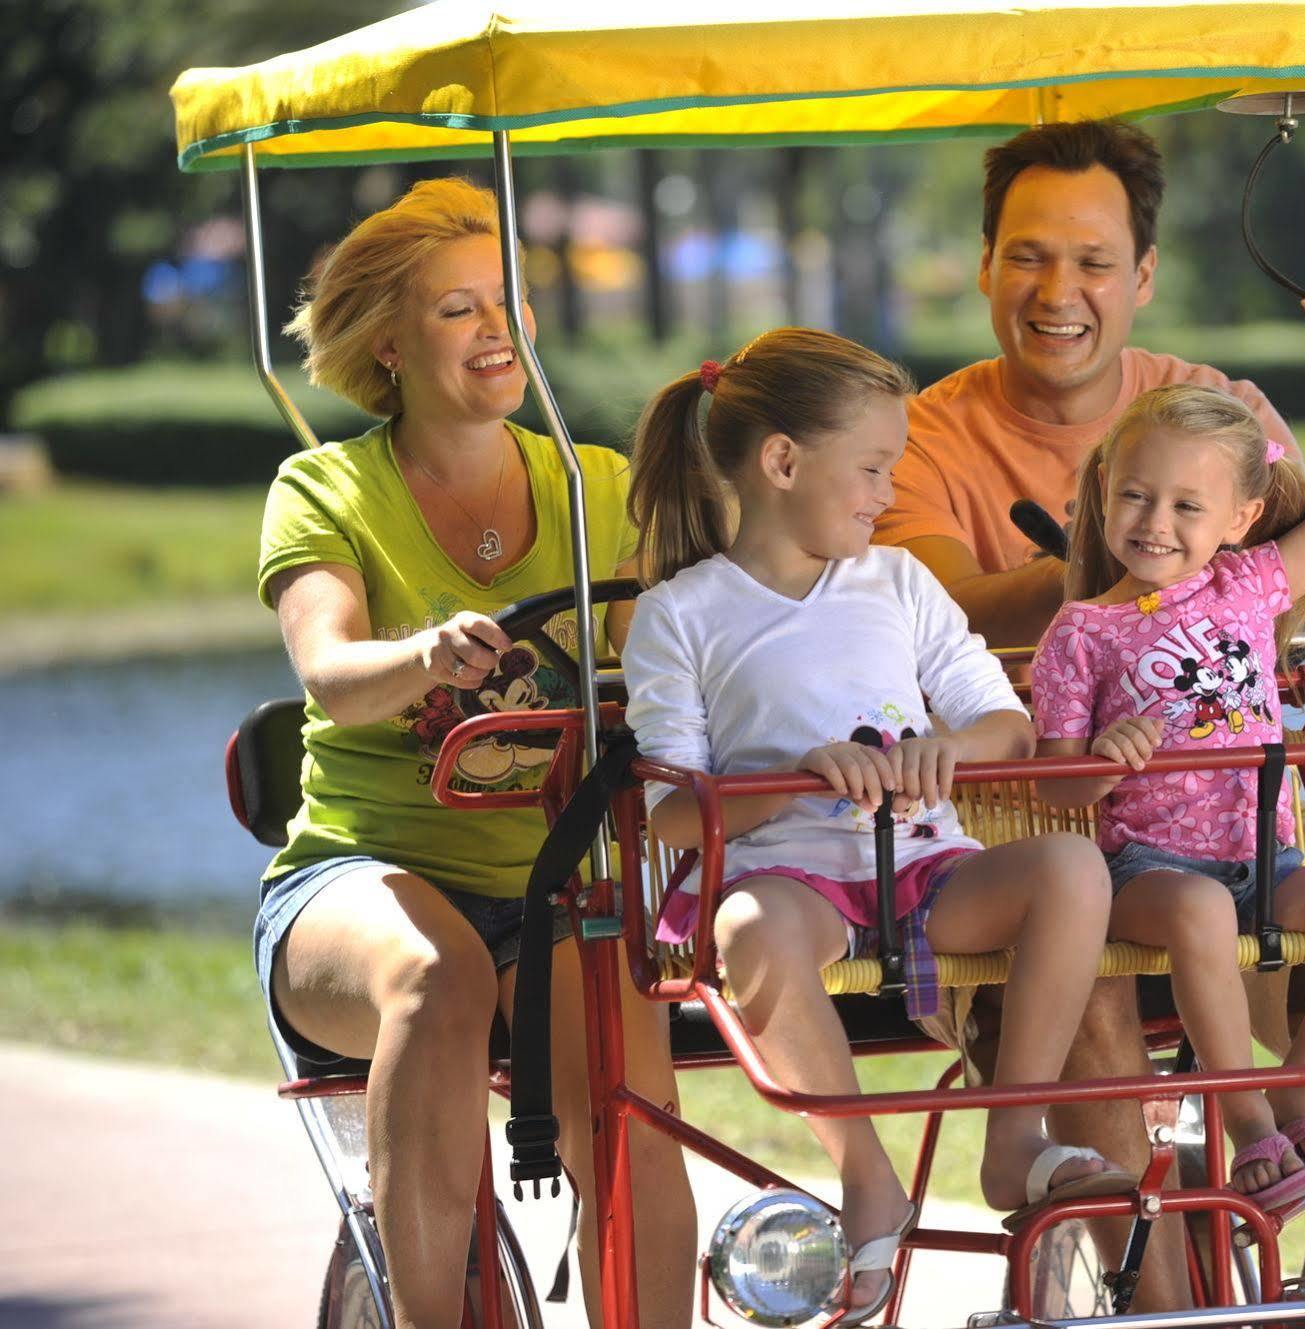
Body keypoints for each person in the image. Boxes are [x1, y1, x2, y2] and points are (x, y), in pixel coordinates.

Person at [874, 118, 1305, 1297]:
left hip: (1239, 829)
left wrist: (1278, 492)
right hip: (1040, 839)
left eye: (1095, 262)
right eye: (1030, 256)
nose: (1061, 291)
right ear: (988, 261)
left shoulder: (1201, 408)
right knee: (1089, 966)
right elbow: (927, 613)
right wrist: (1129, 563)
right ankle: (1169, 1317)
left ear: (1143, 276)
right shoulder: (917, 440)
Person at [252, 177, 695, 1329]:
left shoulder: (594, 486)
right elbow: (330, 675)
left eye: (507, 299)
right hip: (358, 881)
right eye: (457, 310)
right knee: (437, 976)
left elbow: (665, 687)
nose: (497, 329)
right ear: (387, 343)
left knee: (628, 1097)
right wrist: (424, 656)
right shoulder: (324, 487)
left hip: (554, 887)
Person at [619, 328, 1130, 1322]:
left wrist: (951, 749)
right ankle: (864, 1171)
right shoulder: (679, 615)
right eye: (870, 468)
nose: (884, 493)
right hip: (784, 882)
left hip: (924, 870)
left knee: (1070, 869)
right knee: (748, 931)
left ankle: (1014, 1137)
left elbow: (1003, 723)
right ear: (781, 462)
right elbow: (673, 812)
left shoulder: (897, 583)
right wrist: (798, 775)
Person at [1034, 289, 1305, 1217]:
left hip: (1267, 860)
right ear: (1103, 492)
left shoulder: (1252, 586)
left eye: (1184, 503)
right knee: (1203, 908)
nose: (1154, 521)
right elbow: (1052, 789)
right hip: (1147, 872)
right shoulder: (1080, 631)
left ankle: (1302, 1084)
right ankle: (1248, 1122)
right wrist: (1101, 754)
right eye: (1134, 494)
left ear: (1241, 518)